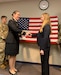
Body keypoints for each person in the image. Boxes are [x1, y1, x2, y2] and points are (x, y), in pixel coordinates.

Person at [5, 10, 24, 75]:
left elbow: (17, 32)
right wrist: (23, 32)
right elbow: (15, 30)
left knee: (14, 55)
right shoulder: (11, 22)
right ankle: (11, 69)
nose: (19, 16)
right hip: (11, 42)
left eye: (19, 14)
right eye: (18, 14)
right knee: (11, 56)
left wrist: (23, 34)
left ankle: (13, 67)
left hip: (15, 41)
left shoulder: (16, 23)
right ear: (13, 15)